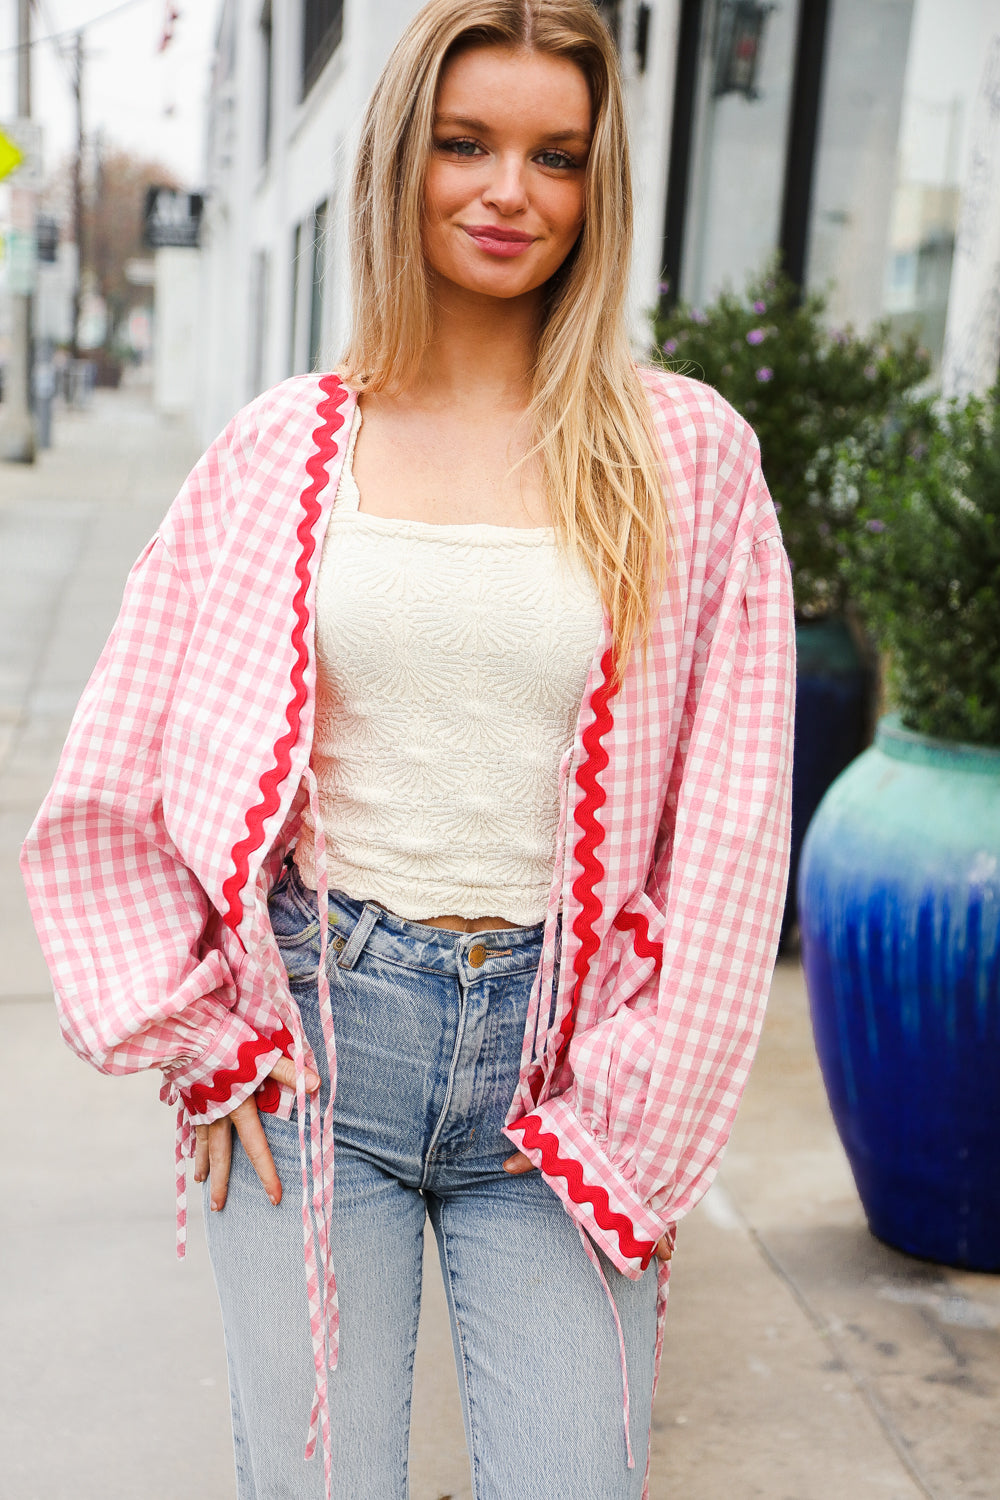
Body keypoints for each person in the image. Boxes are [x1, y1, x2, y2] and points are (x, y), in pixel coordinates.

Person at [20, 3, 795, 1497]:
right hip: (318, 1057)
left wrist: (640, 1099)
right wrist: (205, 1044)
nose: (511, 190)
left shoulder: (684, 453)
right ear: (401, 161)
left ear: (598, 186)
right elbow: (117, 768)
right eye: (469, 143)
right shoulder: (277, 451)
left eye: (556, 156)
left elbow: (735, 828)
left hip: (561, 1073)